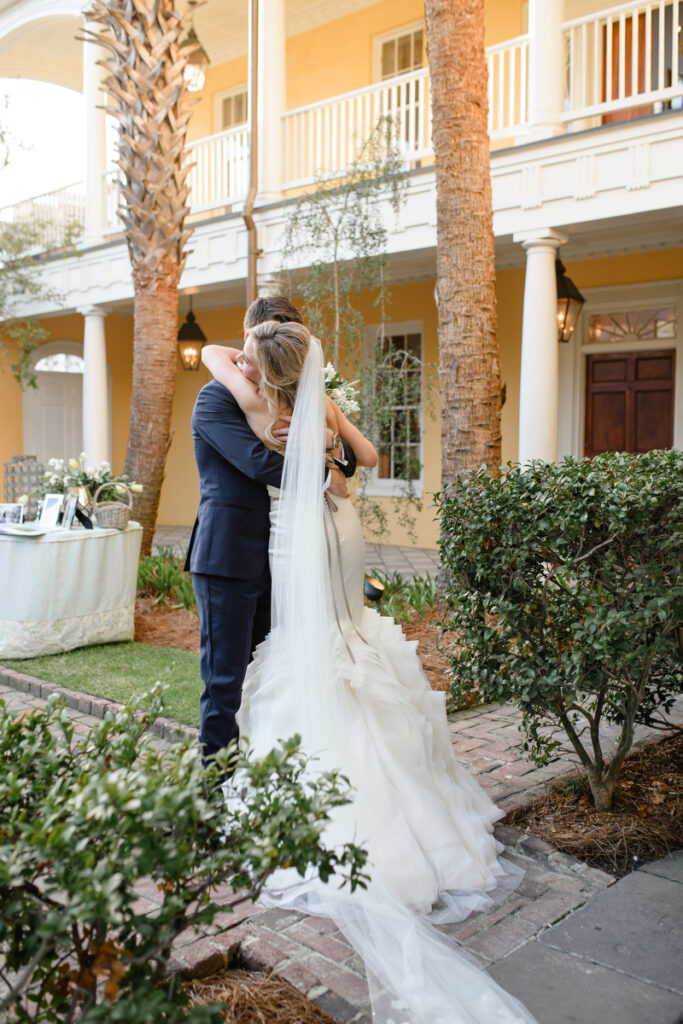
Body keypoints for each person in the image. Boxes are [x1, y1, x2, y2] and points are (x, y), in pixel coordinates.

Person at [202, 320, 538, 1024]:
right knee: (343, 634)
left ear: (260, 366)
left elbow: (229, 379)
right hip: (335, 524)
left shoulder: (263, 405)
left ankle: (300, 796)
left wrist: (305, 456)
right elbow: (363, 464)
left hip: (297, 533)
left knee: (306, 643)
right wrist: (330, 467)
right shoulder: (317, 404)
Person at [185, 295, 355, 765]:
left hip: (276, 557)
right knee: (224, 680)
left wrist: (334, 456)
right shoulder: (215, 400)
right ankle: (215, 788)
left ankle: (257, 778)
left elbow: (352, 454)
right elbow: (258, 463)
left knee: (266, 672)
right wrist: (324, 476)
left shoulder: (276, 399)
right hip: (227, 559)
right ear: (250, 340)